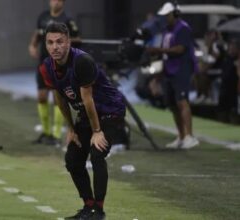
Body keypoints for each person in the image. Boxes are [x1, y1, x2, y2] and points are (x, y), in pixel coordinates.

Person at [40, 22, 126, 220]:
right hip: (88, 114)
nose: (55, 47)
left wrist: (97, 131)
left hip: (110, 111)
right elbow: (60, 98)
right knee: (72, 159)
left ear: (68, 42)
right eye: (50, 42)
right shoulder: (46, 67)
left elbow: (88, 99)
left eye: (60, 41)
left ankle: (99, 210)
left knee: (97, 153)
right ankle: (88, 206)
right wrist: (72, 129)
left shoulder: (82, 61)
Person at [147, 2, 199, 149]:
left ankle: (190, 136)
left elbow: (180, 49)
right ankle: (181, 136)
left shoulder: (183, 28)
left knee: (182, 101)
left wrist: (158, 49)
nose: (165, 18)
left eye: (167, 15)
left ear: (175, 14)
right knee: (173, 105)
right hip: (169, 70)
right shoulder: (166, 30)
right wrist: (159, 74)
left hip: (182, 68)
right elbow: (165, 52)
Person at [28, 0, 80, 146]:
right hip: (43, 63)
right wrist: (32, 45)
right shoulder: (43, 16)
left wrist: (63, 43)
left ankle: (56, 135)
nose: (54, 2)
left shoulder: (68, 20)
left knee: (58, 98)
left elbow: (77, 38)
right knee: (42, 96)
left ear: (62, 3)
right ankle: (46, 132)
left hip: (60, 64)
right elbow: (37, 33)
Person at [218, 39, 239, 122]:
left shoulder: (237, 60)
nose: (231, 50)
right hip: (225, 87)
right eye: (230, 49)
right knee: (222, 108)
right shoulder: (227, 59)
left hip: (234, 87)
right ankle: (222, 120)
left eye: (233, 49)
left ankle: (234, 121)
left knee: (234, 109)